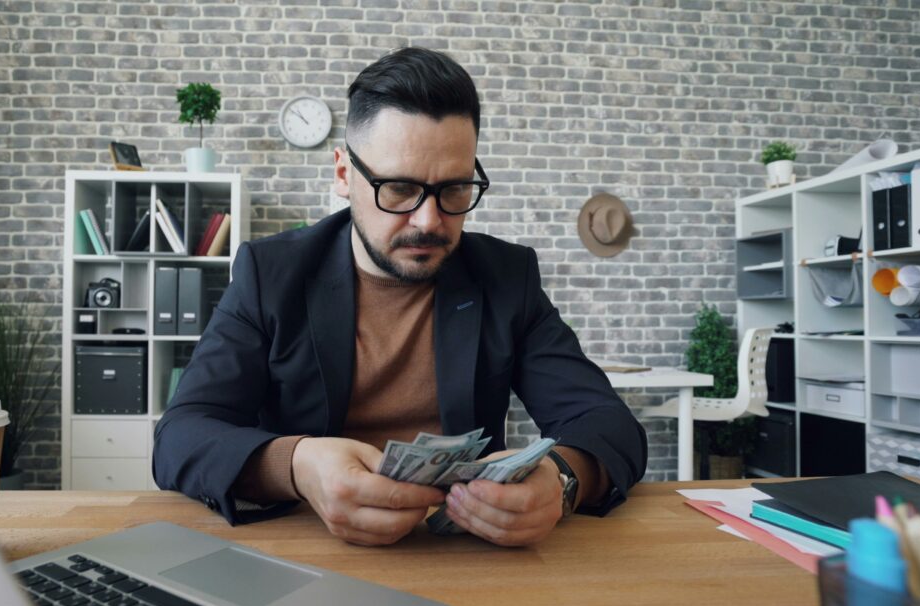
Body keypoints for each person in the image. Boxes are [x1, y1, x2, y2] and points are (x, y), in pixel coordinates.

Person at [153, 47, 647, 548]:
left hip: (468, 554)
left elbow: (608, 423)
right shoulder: (270, 273)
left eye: (454, 189)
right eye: (398, 188)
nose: (429, 220)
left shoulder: (505, 277)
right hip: (305, 550)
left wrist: (563, 477)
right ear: (344, 174)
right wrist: (298, 465)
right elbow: (180, 437)